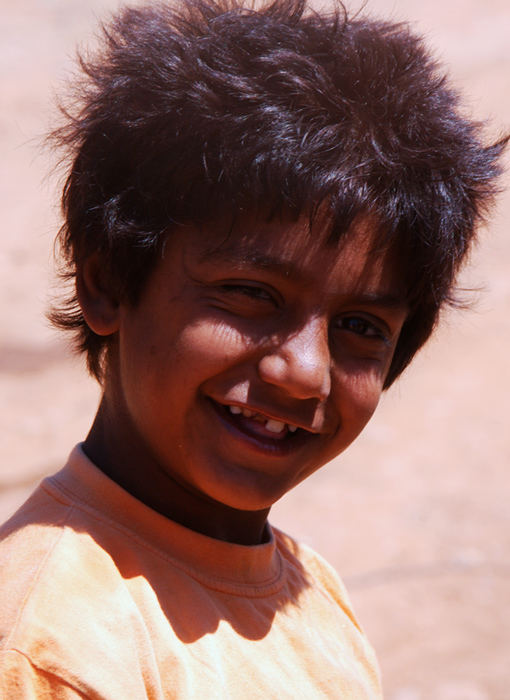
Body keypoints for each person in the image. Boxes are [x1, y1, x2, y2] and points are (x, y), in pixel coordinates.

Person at [0, 0, 505, 696]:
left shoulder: (308, 590)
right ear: (108, 281)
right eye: (251, 294)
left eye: (360, 327)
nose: (304, 372)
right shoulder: (51, 646)